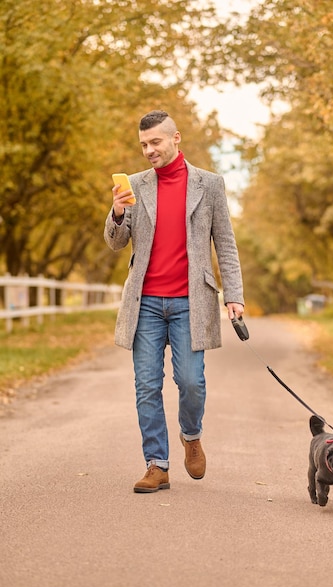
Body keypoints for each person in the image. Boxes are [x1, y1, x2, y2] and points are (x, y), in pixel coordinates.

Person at [104, 110, 244, 493]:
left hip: (190, 301)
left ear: (175, 138)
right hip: (145, 302)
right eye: (144, 145)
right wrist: (117, 212)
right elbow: (116, 243)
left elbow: (225, 245)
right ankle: (157, 464)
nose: (149, 150)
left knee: (190, 382)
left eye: (155, 142)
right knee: (146, 385)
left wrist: (235, 296)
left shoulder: (209, 184)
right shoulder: (134, 186)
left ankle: (191, 434)